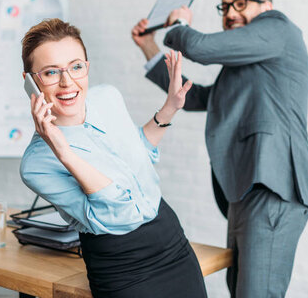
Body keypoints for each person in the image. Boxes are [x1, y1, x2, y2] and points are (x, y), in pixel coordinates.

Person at [131, 0, 308, 298]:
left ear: (267, 6)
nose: (230, 13)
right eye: (225, 6)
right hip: (244, 191)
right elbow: (198, 97)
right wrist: (149, 48)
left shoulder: (278, 29)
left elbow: (200, 47)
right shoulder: (248, 65)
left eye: (241, 3)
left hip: (272, 185)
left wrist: (179, 24)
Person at [19, 18, 207, 298]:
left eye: (76, 67)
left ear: (87, 68)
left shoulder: (107, 97)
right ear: (30, 82)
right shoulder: (36, 164)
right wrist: (64, 152)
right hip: (124, 269)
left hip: (172, 244)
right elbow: (119, 213)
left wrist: (170, 108)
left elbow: (137, 152)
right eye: (50, 73)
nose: (67, 81)